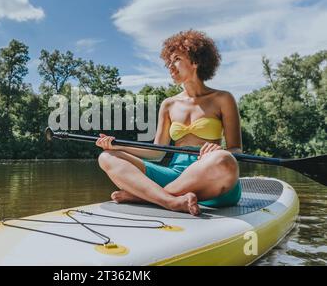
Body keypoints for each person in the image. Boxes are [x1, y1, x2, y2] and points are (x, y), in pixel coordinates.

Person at [96, 30, 242, 216]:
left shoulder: (223, 98)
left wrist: (219, 151)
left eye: (177, 59)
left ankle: (146, 196)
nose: (170, 67)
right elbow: (157, 153)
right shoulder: (168, 104)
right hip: (175, 175)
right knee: (107, 157)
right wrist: (117, 145)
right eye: (169, 62)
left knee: (224, 159)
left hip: (213, 179)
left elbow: (236, 150)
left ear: (195, 61)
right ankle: (170, 201)